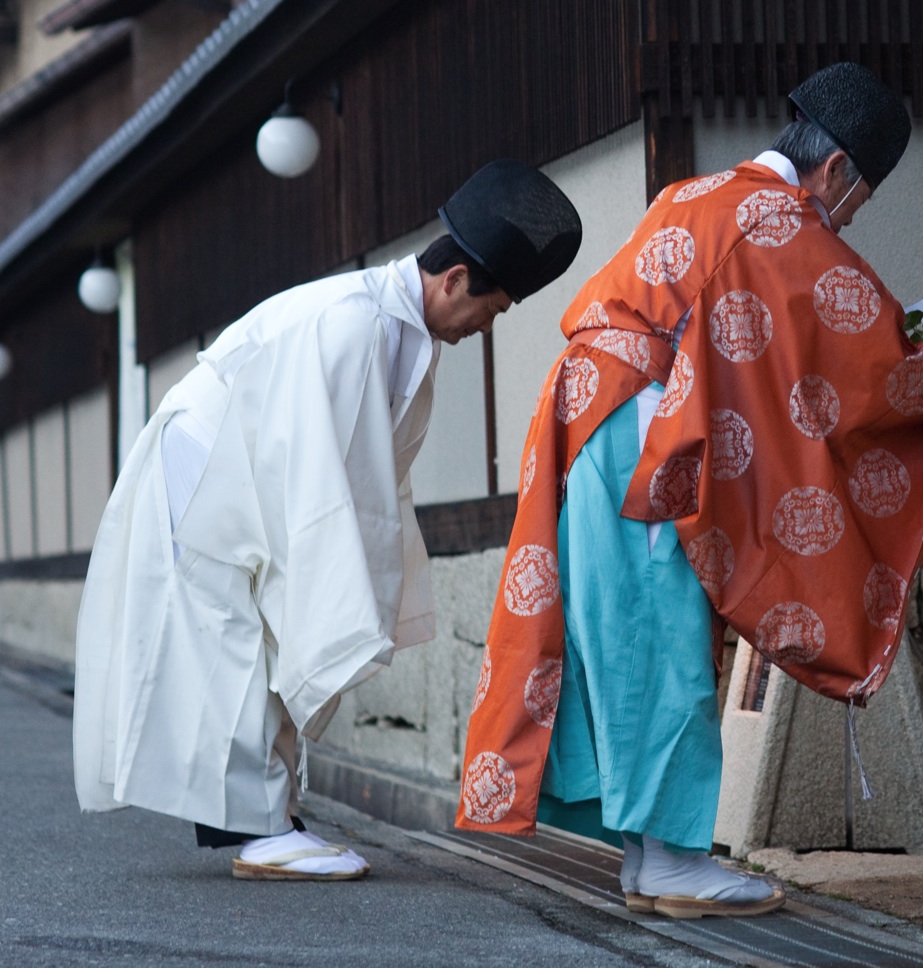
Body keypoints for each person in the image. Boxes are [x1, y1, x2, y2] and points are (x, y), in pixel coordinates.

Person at [458, 63, 923, 919]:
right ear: (836, 172)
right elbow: (868, 361)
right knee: (659, 631)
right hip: (645, 431)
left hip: (595, 420)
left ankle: (649, 857)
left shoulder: (694, 193)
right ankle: (674, 860)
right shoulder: (780, 222)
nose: (852, 216)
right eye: (860, 198)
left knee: (619, 630)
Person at [74, 161, 581, 880]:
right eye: (492, 310)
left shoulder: (395, 322)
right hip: (210, 479)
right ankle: (258, 832)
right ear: (455, 280)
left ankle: (270, 820)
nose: (484, 327)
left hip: (241, 478)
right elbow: (318, 471)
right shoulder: (353, 323)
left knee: (260, 641)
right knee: (240, 647)